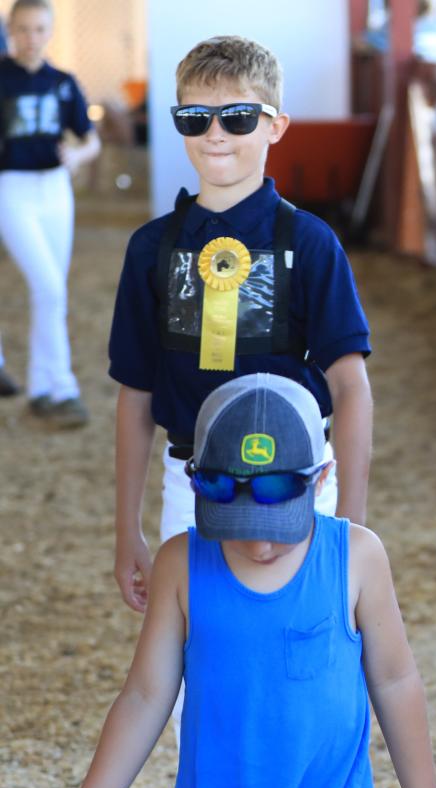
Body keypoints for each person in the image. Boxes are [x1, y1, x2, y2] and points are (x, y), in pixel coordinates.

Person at [47, 372, 436, 788]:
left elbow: (394, 680)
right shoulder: (180, 564)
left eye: (280, 527)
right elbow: (144, 697)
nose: (263, 546)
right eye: (242, 528)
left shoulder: (357, 557)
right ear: (202, 487)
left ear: (320, 480)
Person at [109, 35, 373, 620]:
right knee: (190, 659)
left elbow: (350, 386)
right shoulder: (151, 248)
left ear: (275, 126)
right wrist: (127, 525)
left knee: (297, 639)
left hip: (297, 479)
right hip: (192, 482)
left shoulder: (310, 243)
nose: (215, 133)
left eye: (237, 116)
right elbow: (135, 394)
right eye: (195, 118)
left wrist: (350, 525)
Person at [0, 0, 101, 424]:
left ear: (49, 32)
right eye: (22, 29)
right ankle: (61, 387)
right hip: (12, 188)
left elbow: (90, 139)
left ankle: (43, 387)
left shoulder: (63, 81)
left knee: (51, 291)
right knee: (49, 285)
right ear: (10, 30)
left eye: (39, 29)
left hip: (56, 191)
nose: (30, 37)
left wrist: (77, 157)